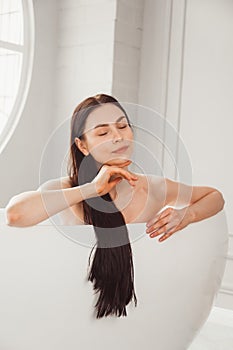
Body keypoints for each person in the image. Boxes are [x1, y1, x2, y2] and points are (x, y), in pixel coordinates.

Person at [6, 93, 225, 319]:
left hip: (138, 314)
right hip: (69, 313)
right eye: (103, 132)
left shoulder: (152, 188)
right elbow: (15, 214)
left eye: (123, 126)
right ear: (82, 146)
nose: (118, 137)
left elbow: (215, 197)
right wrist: (92, 189)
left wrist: (187, 214)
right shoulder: (67, 191)